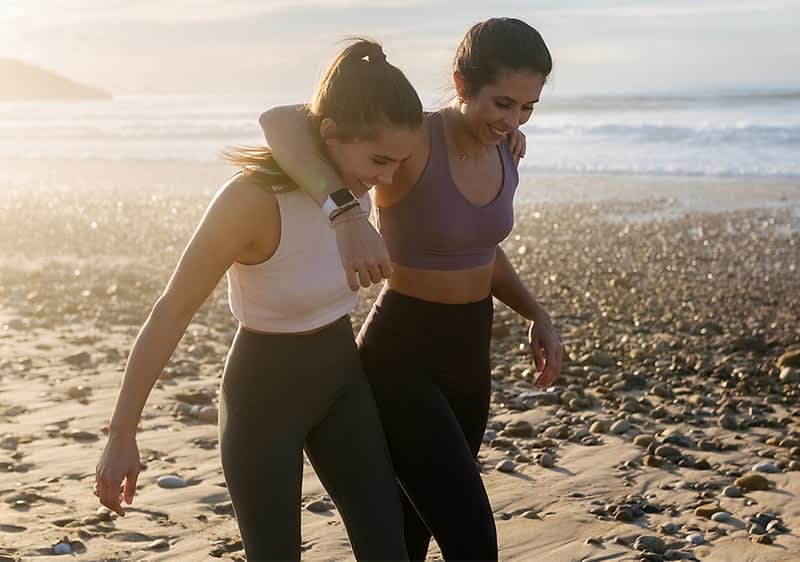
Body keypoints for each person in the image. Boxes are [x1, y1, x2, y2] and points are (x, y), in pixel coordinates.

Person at [93, 39, 424, 561]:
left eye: (397, 162)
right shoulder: (250, 201)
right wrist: (121, 434)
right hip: (263, 399)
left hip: (342, 383)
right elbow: (172, 309)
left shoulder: (356, 185)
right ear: (330, 135)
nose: (386, 178)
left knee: (388, 551)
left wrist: (505, 138)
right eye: (379, 160)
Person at [258, 18, 564, 561]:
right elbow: (279, 121)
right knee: (472, 539)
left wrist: (534, 312)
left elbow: (482, 250)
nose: (513, 119)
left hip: (471, 357)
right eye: (502, 103)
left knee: (410, 536)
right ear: (461, 83)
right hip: (402, 356)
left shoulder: (506, 149)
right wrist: (345, 213)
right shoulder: (414, 136)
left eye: (527, 108)